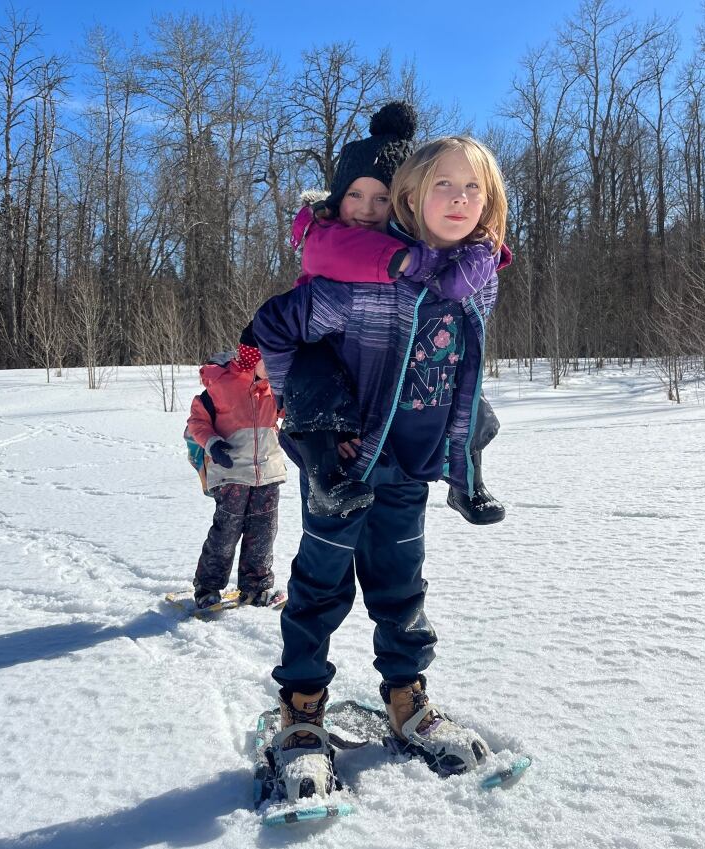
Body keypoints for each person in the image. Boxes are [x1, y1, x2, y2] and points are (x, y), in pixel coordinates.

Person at [252, 135, 508, 800]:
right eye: (442, 187)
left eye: (472, 188)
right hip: (344, 468)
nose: (458, 200)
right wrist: (308, 414)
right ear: (412, 199)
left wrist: (465, 442)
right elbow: (272, 327)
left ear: (489, 200)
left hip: (409, 468)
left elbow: (462, 371)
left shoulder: (479, 282)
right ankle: (302, 709)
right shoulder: (360, 283)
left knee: (401, 589)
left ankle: (406, 697)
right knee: (320, 587)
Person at [284, 102, 507, 524]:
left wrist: (477, 255)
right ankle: (325, 472)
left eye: (382, 198)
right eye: (355, 195)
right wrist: (410, 260)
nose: (368, 209)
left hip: (385, 375)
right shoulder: (329, 233)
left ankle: (467, 478)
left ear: (405, 201)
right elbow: (340, 255)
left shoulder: (408, 238)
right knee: (317, 384)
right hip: (319, 347)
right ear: (338, 197)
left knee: (472, 399)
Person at [185, 324, 286, 609]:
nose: (277, 364)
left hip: (267, 471)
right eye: (272, 358)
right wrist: (213, 443)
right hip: (230, 472)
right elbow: (197, 421)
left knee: (264, 530)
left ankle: (256, 586)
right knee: (227, 530)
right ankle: (207, 588)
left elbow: (289, 412)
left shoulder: (275, 387)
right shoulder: (222, 386)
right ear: (253, 356)